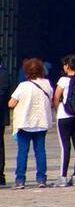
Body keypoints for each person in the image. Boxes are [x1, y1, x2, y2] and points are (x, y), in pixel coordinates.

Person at [9, 58, 54, 189]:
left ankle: (20, 180)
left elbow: (11, 103)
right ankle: (41, 179)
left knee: (22, 152)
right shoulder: (47, 84)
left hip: (25, 123)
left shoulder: (23, 86)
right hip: (41, 122)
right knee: (40, 151)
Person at [52, 56, 75, 187]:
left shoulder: (63, 80)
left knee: (65, 146)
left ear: (67, 66)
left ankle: (63, 176)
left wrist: (58, 109)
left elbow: (56, 97)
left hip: (65, 115)